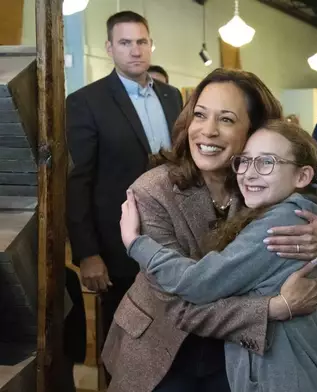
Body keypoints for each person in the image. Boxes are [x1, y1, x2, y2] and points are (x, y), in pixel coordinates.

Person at [102, 68, 317, 392]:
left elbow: (303, 262)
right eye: (200, 115)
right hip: (161, 348)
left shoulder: (261, 184)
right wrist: (275, 307)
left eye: (227, 119)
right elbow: (182, 306)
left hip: (239, 353)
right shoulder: (151, 191)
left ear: (255, 130)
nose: (208, 130)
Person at [66, 10, 183, 349]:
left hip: (173, 239)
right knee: (123, 345)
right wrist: (87, 252)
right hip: (116, 248)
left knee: (172, 338)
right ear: (109, 48)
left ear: (151, 45)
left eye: (142, 41)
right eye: (125, 42)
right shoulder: (86, 102)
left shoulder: (171, 96)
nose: (135, 50)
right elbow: (77, 182)